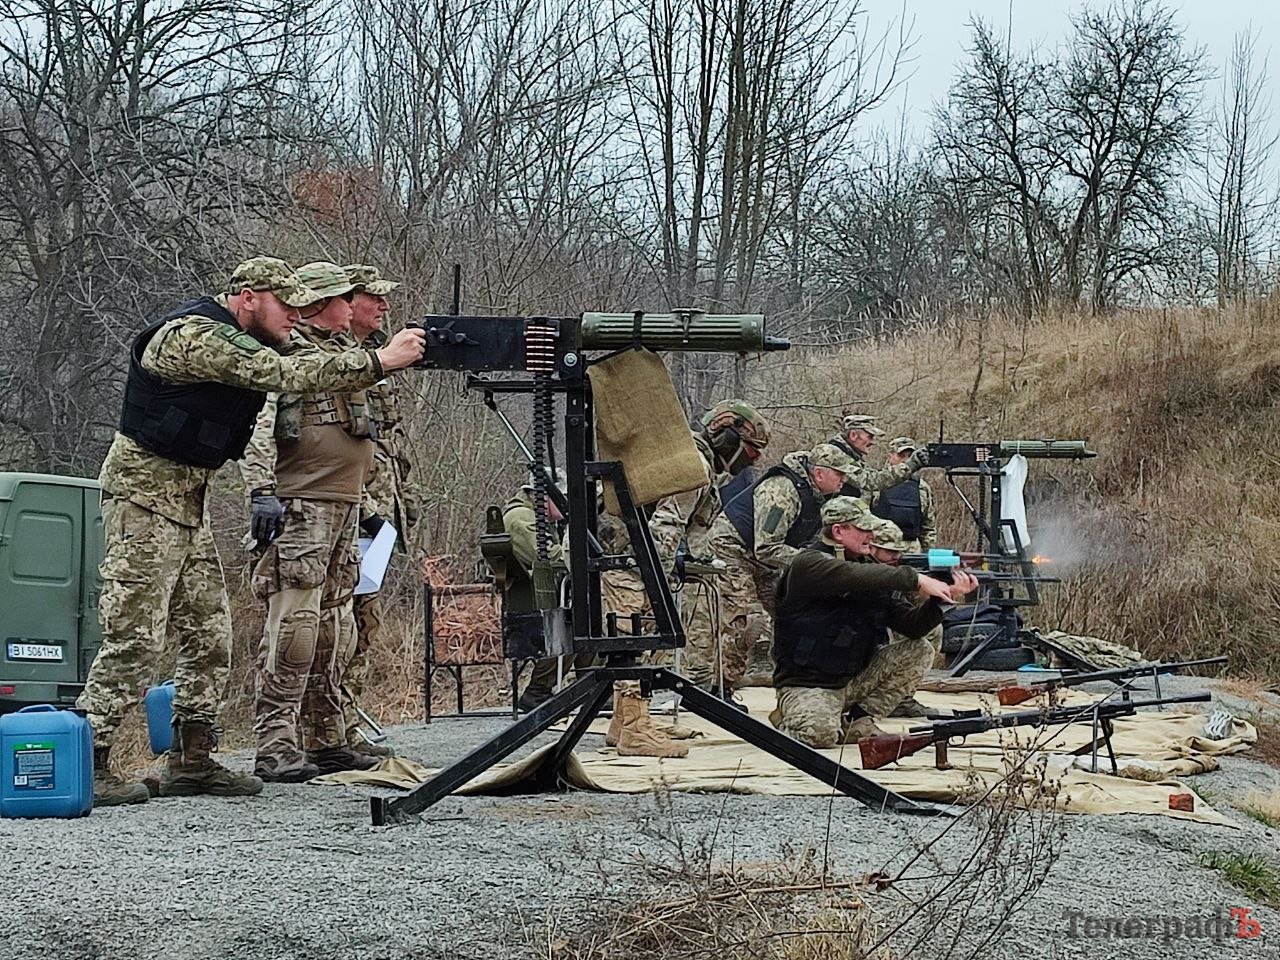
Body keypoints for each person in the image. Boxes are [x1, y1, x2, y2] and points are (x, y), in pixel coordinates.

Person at [79, 256, 426, 806]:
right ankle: (88, 760)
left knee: (210, 633)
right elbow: (282, 374)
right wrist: (381, 360)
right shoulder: (194, 336)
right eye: (285, 305)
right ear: (247, 298)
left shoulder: (259, 340)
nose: (295, 315)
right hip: (142, 499)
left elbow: (310, 362)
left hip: (187, 500)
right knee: (136, 632)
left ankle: (192, 759)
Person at [239, 261, 384, 783]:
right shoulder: (286, 359)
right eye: (346, 298)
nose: (354, 306)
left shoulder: (344, 359)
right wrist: (262, 492)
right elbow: (257, 430)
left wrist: (369, 506)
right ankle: (275, 744)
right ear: (321, 304)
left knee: (336, 628)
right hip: (301, 510)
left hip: (345, 508)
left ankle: (326, 737)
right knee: (294, 629)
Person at [769, 497, 976, 748]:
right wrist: (916, 580)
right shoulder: (809, 564)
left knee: (920, 649)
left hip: (853, 679)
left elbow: (912, 626)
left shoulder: (869, 570)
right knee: (818, 736)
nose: (870, 535)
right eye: (863, 529)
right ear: (838, 531)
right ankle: (792, 718)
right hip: (808, 685)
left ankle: (858, 720)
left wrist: (941, 598)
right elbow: (850, 574)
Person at [340, 264, 420, 758]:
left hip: (377, 518)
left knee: (364, 622)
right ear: (348, 303)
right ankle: (330, 728)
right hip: (349, 514)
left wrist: (403, 506)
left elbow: (390, 443)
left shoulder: (372, 359)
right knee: (339, 624)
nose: (384, 307)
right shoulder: (334, 364)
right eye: (375, 298)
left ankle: (345, 724)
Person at [702, 442, 858, 693]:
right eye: (839, 474)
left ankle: (794, 681)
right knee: (747, 619)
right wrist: (814, 563)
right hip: (732, 549)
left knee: (794, 612)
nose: (844, 479)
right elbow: (767, 547)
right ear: (819, 473)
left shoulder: (821, 497)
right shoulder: (781, 491)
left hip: (765, 560)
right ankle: (721, 688)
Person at [502, 472, 594, 711]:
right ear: (540, 496)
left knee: (588, 622)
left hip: (536, 598)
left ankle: (591, 687)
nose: (565, 504)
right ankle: (537, 692)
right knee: (573, 628)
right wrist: (581, 553)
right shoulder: (520, 518)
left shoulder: (537, 518)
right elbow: (549, 558)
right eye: (561, 498)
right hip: (523, 605)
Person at [863, 518, 946, 718]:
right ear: (871, 549)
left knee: (931, 633)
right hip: (845, 659)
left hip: (868, 652)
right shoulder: (855, 571)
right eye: (889, 552)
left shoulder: (893, 571)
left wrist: (939, 596)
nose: (896, 557)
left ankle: (899, 699)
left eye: (899, 552)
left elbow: (910, 620)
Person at [827, 414, 929, 498]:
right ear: (853, 435)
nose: (872, 442)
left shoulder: (853, 457)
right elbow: (871, 481)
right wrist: (911, 465)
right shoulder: (833, 454)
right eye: (870, 436)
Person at [870, 436, 937, 552]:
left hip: (911, 550)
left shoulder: (922, 487)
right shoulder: (876, 483)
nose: (906, 460)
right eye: (901, 456)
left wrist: (927, 555)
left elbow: (928, 527)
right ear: (890, 457)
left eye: (910, 456)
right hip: (880, 549)